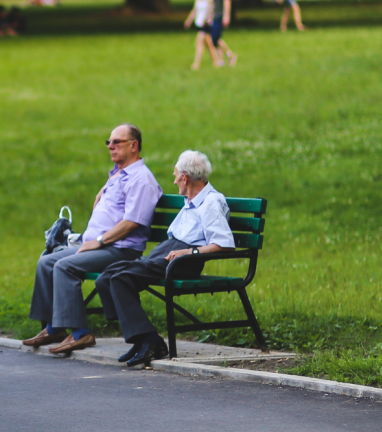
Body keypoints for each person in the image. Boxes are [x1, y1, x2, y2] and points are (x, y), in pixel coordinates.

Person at [23, 124, 163, 355]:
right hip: (100, 245)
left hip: (120, 249)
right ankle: (54, 327)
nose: (110, 146)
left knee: (64, 266)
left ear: (133, 145)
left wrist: (99, 241)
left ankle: (80, 334)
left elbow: (133, 222)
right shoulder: (119, 174)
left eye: (116, 142)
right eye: (108, 142)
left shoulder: (141, 179)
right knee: (46, 261)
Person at [95, 150, 234, 367]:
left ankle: (149, 340)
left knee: (121, 278)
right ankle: (141, 338)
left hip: (184, 260)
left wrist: (190, 252)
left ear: (185, 178)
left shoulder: (211, 202)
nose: (174, 179)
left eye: (175, 175)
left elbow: (224, 244)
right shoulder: (192, 200)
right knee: (107, 276)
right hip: (169, 252)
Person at [184, 0, 220, 69]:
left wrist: (207, 19)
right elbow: (195, 10)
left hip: (206, 24)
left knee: (198, 43)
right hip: (199, 23)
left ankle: (196, 64)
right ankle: (216, 62)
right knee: (209, 45)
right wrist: (189, 20)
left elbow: (211, 10)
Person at [210, 0, 237, 67]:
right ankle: (221, 60)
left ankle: (230, 54)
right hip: (216, 14)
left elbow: (227, 1)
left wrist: (226, 16)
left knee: (214, 38)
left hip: (221, 15)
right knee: (216, 38)